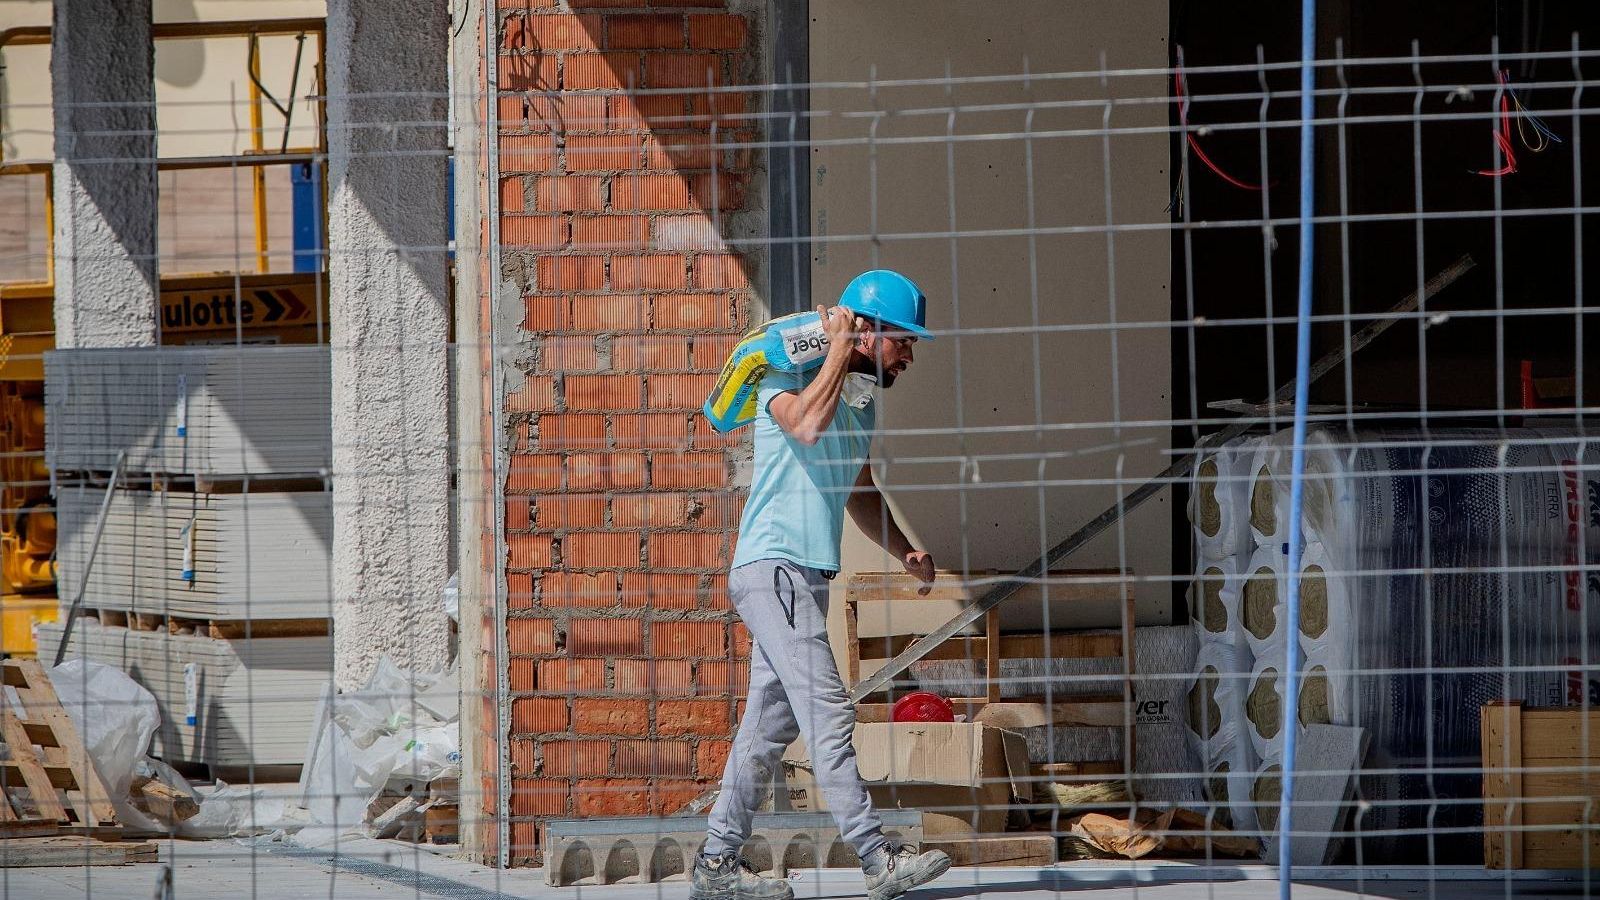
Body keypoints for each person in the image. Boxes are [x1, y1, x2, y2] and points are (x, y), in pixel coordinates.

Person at [691, 270, 953, 900]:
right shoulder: (784, 381)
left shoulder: (859, 404)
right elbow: (805, 426)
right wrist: (836, 345)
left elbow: (859, 492)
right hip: (772, 568)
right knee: (829, 710)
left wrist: (904, 551)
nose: (910, 355)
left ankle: (716, 865)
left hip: (808, 578)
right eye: (903, 341)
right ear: (865, 331)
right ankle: (876, 857)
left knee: (767, 728)